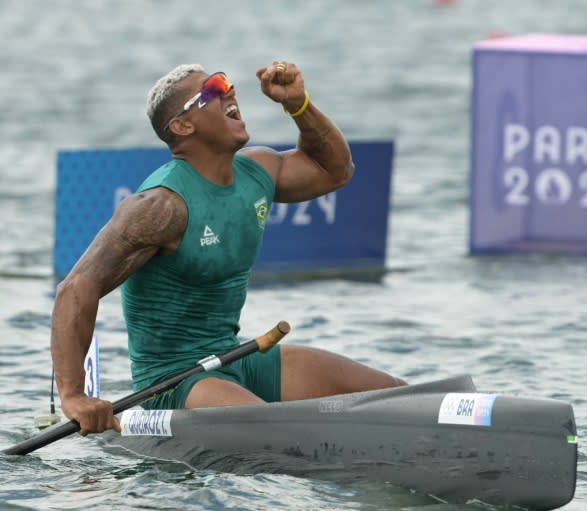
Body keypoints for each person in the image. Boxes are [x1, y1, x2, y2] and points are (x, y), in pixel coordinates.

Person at [50, 61, 406, 435]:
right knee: (283, 434)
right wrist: (74, 396)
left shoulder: (259, 170)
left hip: (238, 358)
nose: (228, 91)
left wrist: (298, 105)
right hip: (175, 383)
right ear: (183, 126)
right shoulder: (160, 206)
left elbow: (336, 171)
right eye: (212, 90)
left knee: (396, 398)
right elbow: (76, 289)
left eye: (225, 82)